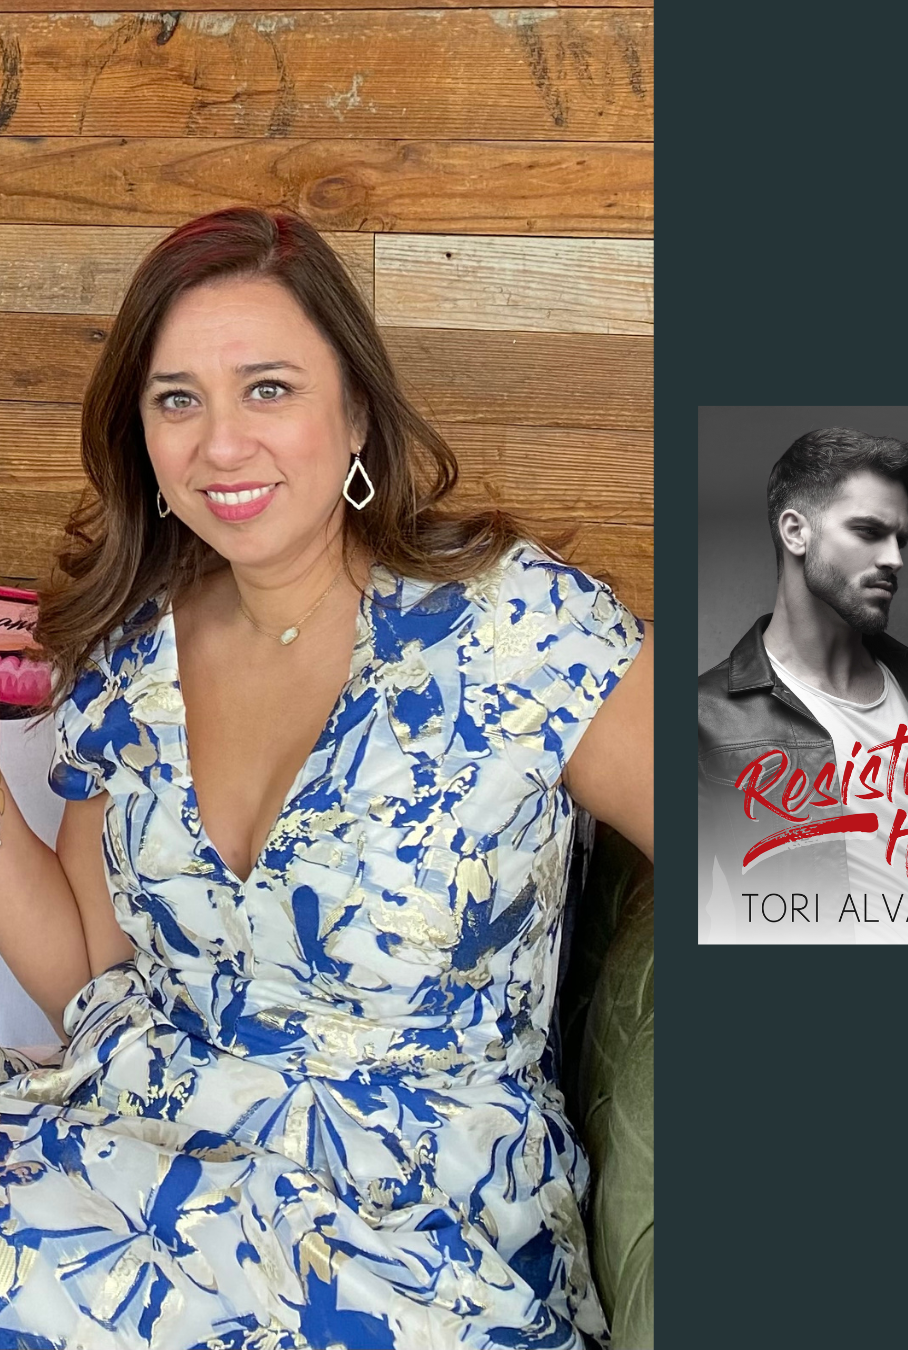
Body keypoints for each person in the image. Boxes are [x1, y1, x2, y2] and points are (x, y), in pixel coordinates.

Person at [0, 207, 653, 1348]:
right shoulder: (131, 656)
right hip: (142, 1158)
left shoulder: (513, 629)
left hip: (419, 1230)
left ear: (355, 411)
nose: (220, 445)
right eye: (176, 399)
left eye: (268, 388)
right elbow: (93, 979)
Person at [698, 427, 908, 945]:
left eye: (900, 539)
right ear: (795, 532)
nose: (895, 559)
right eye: (869, 531)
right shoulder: (706, 717)